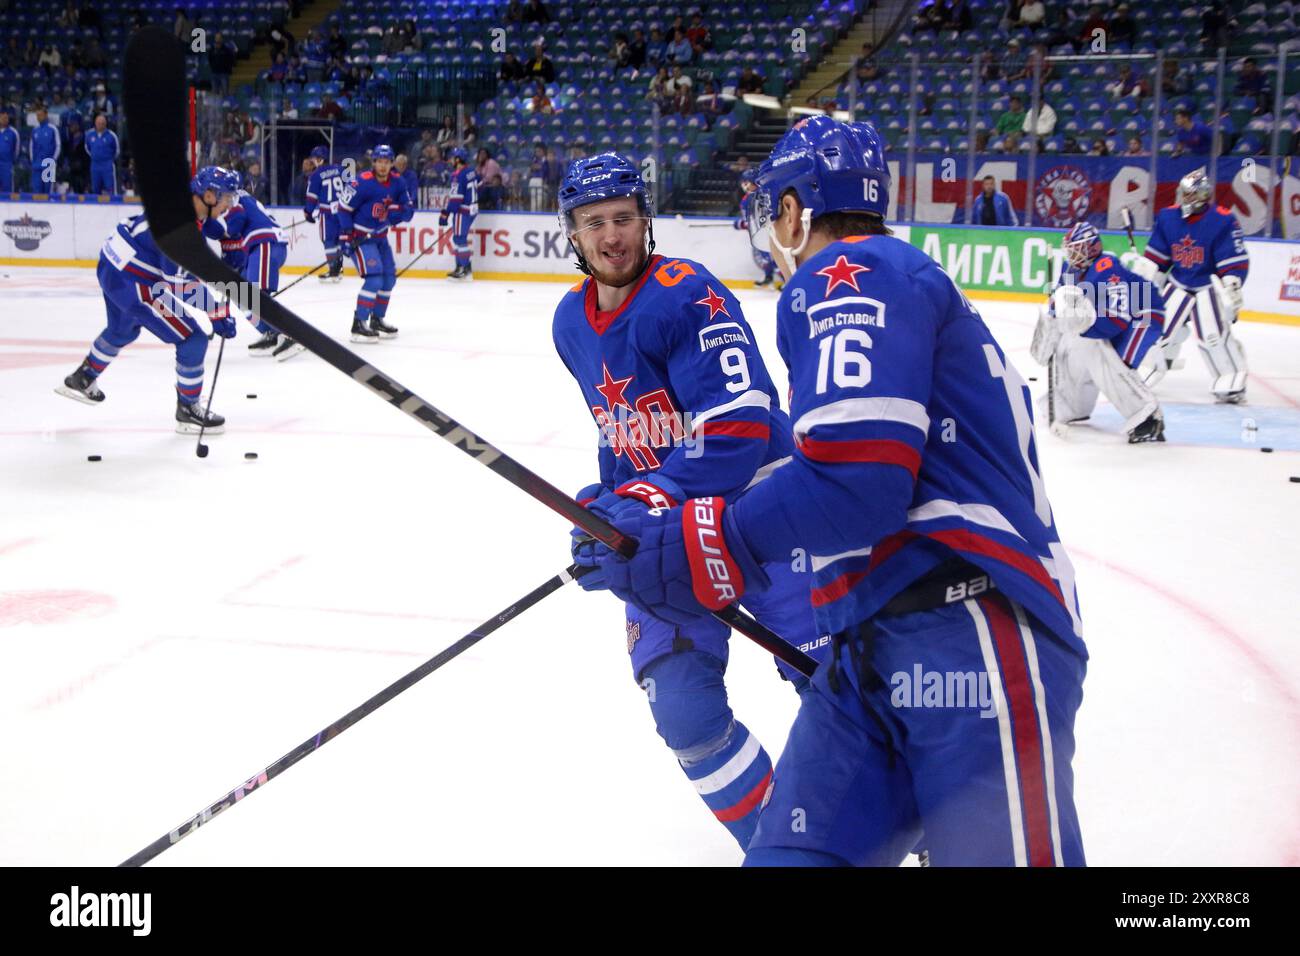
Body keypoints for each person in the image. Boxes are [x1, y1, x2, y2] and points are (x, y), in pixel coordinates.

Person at [592, 117, 1088, 867]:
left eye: (772, 210)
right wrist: (659, 517)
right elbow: (837, 469)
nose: (768, 230)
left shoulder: (851, 274)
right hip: (870, 646)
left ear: (795, 210)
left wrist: (703, 538)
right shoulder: (889, 280)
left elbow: (858, 481)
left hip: (971, 622)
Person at [553, 153, 824, 847]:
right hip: (667, 535)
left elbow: (740, 422)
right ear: (573, 234)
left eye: (622, 219)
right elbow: (626, 435)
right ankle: (781, 849)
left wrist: (648, 494)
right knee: (684, 712)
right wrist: (601, 513)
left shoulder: (685, 292)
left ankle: (904, 823)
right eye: (594, 223)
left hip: (760, 517)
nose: (610, 236)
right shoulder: (569, 322)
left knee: (836, 691)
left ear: (644, 222)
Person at [55, 201, 232, 434]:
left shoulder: (177, 208)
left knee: (122, 330)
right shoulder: (179, 229)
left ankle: (83, 377)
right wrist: (216, 311)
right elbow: (179, 283)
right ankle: (188, 409)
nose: (229, 203)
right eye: (226, 197)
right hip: (136, 284)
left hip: (112, 268)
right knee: (193, 338)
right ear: (209, 195)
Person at [1030, 222, 1166, 442]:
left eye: (1076, 248)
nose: (1071, 254)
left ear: (1090, 248)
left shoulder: (1108, 268)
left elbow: (1117, 319)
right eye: (1070, 249)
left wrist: (1083, 325)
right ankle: (1073, 405)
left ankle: (1147, 416)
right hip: (1108, 318)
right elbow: (1061, 303)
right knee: (1072, 346)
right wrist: (1053, 329)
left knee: (1111, 359)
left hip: (1143, 315)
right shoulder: (1071, 268)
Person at [1127, 167, 1249, 402]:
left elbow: (1232, 258)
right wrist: (1147, 275)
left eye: (1190, 194)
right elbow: (1158, 257)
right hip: (1179, 282)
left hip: (1208, 286)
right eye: (1183, 193)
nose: (1185, 198)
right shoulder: (1168, 217)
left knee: (1212, 335)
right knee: (1157, 329)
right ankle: (1150, 367)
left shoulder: (1222, 220)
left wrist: (1231, 284)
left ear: (1204, 195)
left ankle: (1231, 376)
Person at [197, 165, 301, 361]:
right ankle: (272, 333)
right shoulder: (235, 196)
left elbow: (232, 225)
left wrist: (205, 222)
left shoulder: (232, 198)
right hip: (261, 246)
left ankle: (289, 334)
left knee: (255, 294)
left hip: (264, 243)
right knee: (243, 296)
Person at [337, 144, 414, 340]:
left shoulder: (398, 182)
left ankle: (377, 319)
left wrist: (397, 215)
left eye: (386, 162)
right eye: (379, 161)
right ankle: (359, 324)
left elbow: (407, 210)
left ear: (391, 164)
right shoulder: (362, 182)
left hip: (380, 238)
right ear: (374, 163)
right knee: (374, 279)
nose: (382, 166)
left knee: (389, 279)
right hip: (361, 238)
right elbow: (343, 208)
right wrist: (346, 236)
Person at [439, 147, 479, 280]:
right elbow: (479, 184)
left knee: (459, 239)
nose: (450, 160)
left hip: (463, 210)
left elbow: (456, 199)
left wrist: (446, 213)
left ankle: (464, 269)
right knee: (459, 238)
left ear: (457, 159)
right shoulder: (471, 172)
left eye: (452, 158)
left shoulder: (458, 175)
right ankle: (460, 267)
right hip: (472, 209)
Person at [734, 169, 776, 287]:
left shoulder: (763, 196)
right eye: (744, 182)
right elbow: (748, 220)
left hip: (768, 232)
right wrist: (742, 224)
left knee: (773, 257)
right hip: (758, 233)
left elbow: (762, 217)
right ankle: (769, 277)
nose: (744, 186)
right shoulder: (746, 199)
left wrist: (743, 224)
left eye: (747, 182)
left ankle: (786, 280)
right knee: (764, 256)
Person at [84, 113, 119, 195]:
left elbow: (117, 151)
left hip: (107, 165)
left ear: (105, 124)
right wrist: (95, 156)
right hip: (95, 165)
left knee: (110, 188)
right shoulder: (89, 134)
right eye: (98, 123)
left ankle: (113, 206)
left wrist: (108, 159)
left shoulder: (112, 135)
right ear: (95, 123)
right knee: (95, 188)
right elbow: (87, 148)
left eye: (102, 123)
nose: (100, 125)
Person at [29, 107, 60, 194]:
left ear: (46, 115)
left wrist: (53, 160)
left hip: (48, 164)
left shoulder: (53, 129)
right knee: (37, 190)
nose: (39, 117)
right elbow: (31, 146)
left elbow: (58, 146)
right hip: (37, 164)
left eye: (40, 115)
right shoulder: (35, 130)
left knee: (48, 191)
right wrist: (33, 161)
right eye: (37, 115)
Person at [0, 110, 18, 192]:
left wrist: (11, 162)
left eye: (6, 118)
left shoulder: (13, 132)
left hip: (7, 165)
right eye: (3, 118)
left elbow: (17, 149)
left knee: (8, 189)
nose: (5, 120)